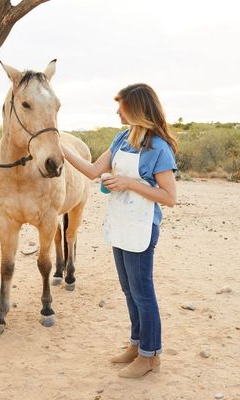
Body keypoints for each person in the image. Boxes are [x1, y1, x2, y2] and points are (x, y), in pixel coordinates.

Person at [61, 83, 177, 378]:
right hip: (121, 223)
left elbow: (169, 197)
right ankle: (137, 346)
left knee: (143, 293)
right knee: (129, 291)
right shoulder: (122, 139)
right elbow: (90, 171)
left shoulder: (158, 148)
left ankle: (151, 356)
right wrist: (59, 147)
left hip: (142, 227)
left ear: (136, 108)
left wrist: (127, 183)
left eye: (121, 106)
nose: (117, 111)